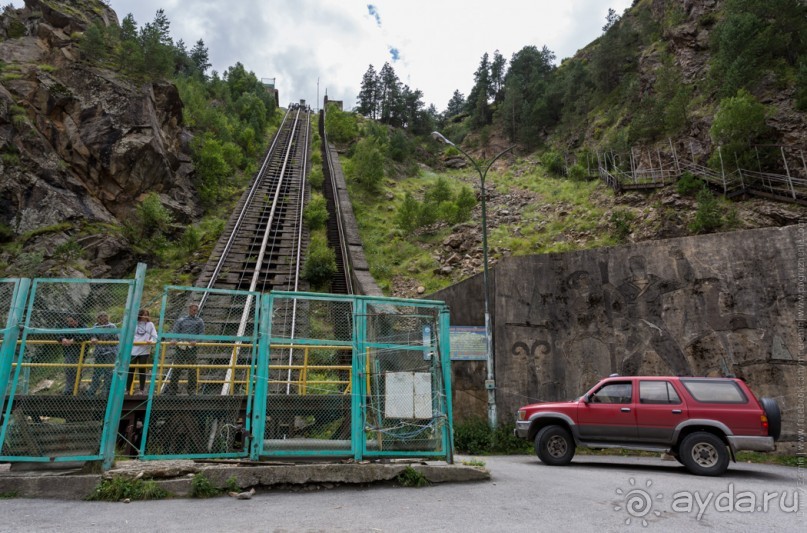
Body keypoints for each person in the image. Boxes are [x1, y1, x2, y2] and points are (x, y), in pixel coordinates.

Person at [166, 303, 204, 395]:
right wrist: (175, 340)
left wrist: (196, 340)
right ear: (189, 309)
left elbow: (201, 334)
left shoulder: (199, 321)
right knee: (176, 368)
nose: (194, 311)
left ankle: (192, 389)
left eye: (196, 310)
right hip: (181, 346)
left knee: (192, 369)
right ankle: (173, 389)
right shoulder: (181, 320)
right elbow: (175, 332)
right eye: (193, 310)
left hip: (192, 347)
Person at [86, 312, 118, 397]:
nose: (103, 319)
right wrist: (93, 338)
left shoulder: (112, 326)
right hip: (99, 352)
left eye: (105, 318)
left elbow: (115, 339)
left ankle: (106, 392)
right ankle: (92, 391)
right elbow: (93, 336)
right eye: (101, 318)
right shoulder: (96, 326)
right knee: (97, 372)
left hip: (110, 351)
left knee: (108, 372)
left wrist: (106, 341)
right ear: (98, 319)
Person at [128, 309, 157, 395]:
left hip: (144, 350)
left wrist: (151, 341)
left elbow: (155, 335)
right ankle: (128, 389)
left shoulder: (150, 324)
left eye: (147, 314)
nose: (145, 316)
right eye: (144, 314)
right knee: (130, 369)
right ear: (140, 315)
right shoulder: (134, 324)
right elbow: (129, 335)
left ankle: (142, 389)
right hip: (133, 350)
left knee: (142, 369)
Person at [60, 315, 85, 395]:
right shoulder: (66, 327)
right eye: (68, 321)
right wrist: (63, 339)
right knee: (69, 369)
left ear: (76, 320)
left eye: (71, 321)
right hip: (69, 351)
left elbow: (85, 335)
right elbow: (59, 334)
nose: (69, 323)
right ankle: (69, 389)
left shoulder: (83, 326)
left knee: (77, 370)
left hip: (80, 352)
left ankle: (75, 389)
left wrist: (73, 340)